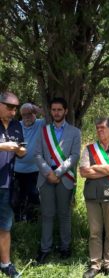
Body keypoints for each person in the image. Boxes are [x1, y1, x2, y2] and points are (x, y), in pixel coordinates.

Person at [34, 97, 81, 264]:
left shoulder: (75, 132)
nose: (56, 113)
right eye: (53, 110)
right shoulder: (44, 131)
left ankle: (65, 248)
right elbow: (37, 154)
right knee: (47, 214)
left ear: (66, 111)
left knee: (64, 214)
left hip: (64, 178)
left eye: (59, 110)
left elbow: (75, 156)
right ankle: (45, 249)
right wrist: (48, 173)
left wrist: (58, 173)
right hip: (46, 178)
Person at [80, 118, 109, 278]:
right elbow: (83, 172)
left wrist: (95, 167)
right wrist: (107, 169)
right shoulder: (89, 149)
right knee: (94, 232)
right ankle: (95, 265)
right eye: (97, 128)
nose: (99, 130)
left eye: (102, 128)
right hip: (92, 197)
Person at [0, 91, 26, 277]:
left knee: (5, 226)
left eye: (15, 108)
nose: (13, 112)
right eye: (10, 107)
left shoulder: (17, 125)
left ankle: (6, 264)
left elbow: (22, 148)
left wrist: (20, 150)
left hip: (7, 183)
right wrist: (3, 146)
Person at [14, 103, 44, 222]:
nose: (27, 117)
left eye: (29, 114)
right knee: (17, 198)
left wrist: (36, 108)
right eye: (24, 114)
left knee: (34, 196)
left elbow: (51, 116)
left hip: (35, 169)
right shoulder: (16, 125)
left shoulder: (40, 124)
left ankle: (33, 222)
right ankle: (18, 221)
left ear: (34, 114)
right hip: (17, 169)